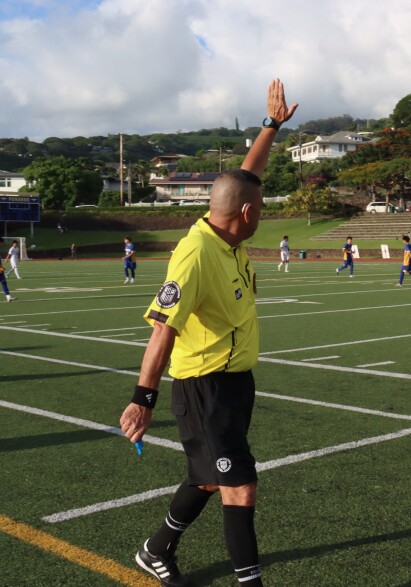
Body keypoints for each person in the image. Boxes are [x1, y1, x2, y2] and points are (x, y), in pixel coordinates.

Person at [119, 78, 297, 587]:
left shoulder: (229, 235)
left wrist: (271, 127)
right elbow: (162, 328)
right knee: (240, 485)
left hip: (234, 382)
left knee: (206, 477)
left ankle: (156, 549)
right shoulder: (196, 254)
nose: (261, 214)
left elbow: (246, 177)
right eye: (259, 210)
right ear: (246, 215)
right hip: (204, 386)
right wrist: (143, 397)